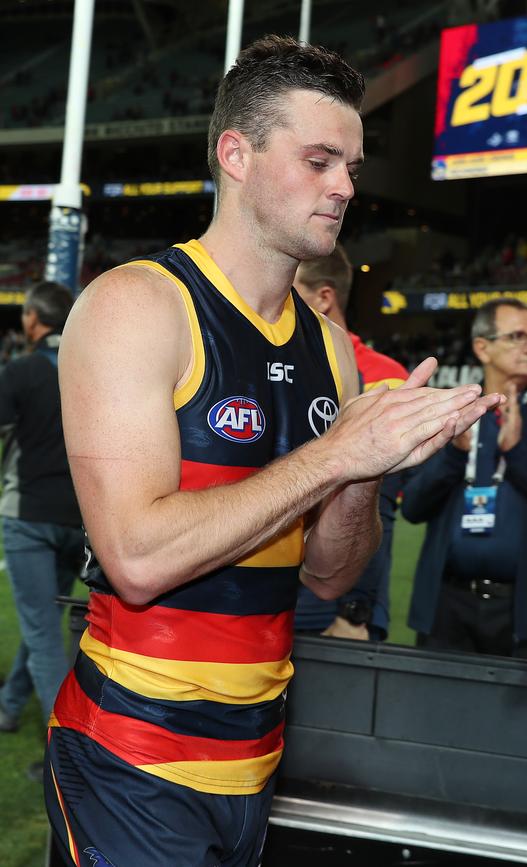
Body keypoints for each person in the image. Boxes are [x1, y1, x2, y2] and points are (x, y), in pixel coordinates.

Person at [44, 36, 503, 867]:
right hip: (129, 756)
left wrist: (364, 468)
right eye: (320, 160)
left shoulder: (330, 347)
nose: (343, 188)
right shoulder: (136, 306)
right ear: (237, 154)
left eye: (353, 168)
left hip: (254, 757)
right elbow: (137, 555)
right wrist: (332, 455)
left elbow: (329, 571)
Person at [402, 298, 527, 663]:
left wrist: (519, 454)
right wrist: (455, 454)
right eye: (517, 336)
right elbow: (412, 506)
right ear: (482, 347)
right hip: (447, 605)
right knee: (438, 716)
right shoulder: (449, 407)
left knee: (523, 719)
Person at [293, 242, 409, 641]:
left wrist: (355, 613)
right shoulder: (275, 359)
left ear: (324, 296)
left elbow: (380, 509)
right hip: (263, 598)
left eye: (288, 288)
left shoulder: (383, 379)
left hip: (333, 608)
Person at [0, 281, 84, 735]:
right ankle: (9, 704)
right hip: (81, 517)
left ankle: (62, 745)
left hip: (30, 516)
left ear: (32, 318)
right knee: (43, 618)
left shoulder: (22, 370)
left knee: (41, 631)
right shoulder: (89, 368)